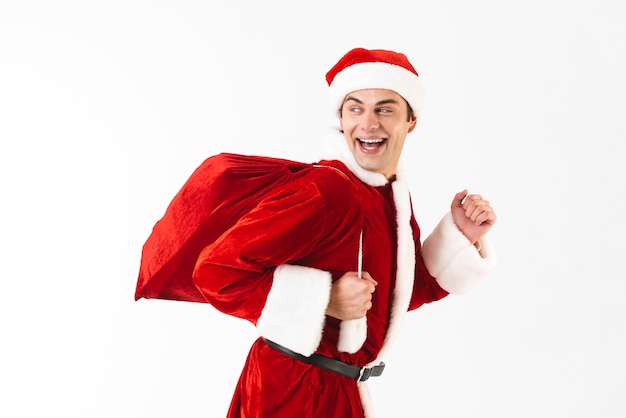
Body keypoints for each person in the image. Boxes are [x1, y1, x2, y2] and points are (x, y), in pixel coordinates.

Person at [192, 47, 497, 418]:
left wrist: (459, 236)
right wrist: (325, 300)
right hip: (293, 393)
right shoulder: (325, 192)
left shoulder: (388, 195)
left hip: (338, 390)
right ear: (341, 117)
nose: (368, 123)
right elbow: (215, 272)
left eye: (384, 109)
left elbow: (394, 298)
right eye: (355, 108)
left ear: (411, 121)